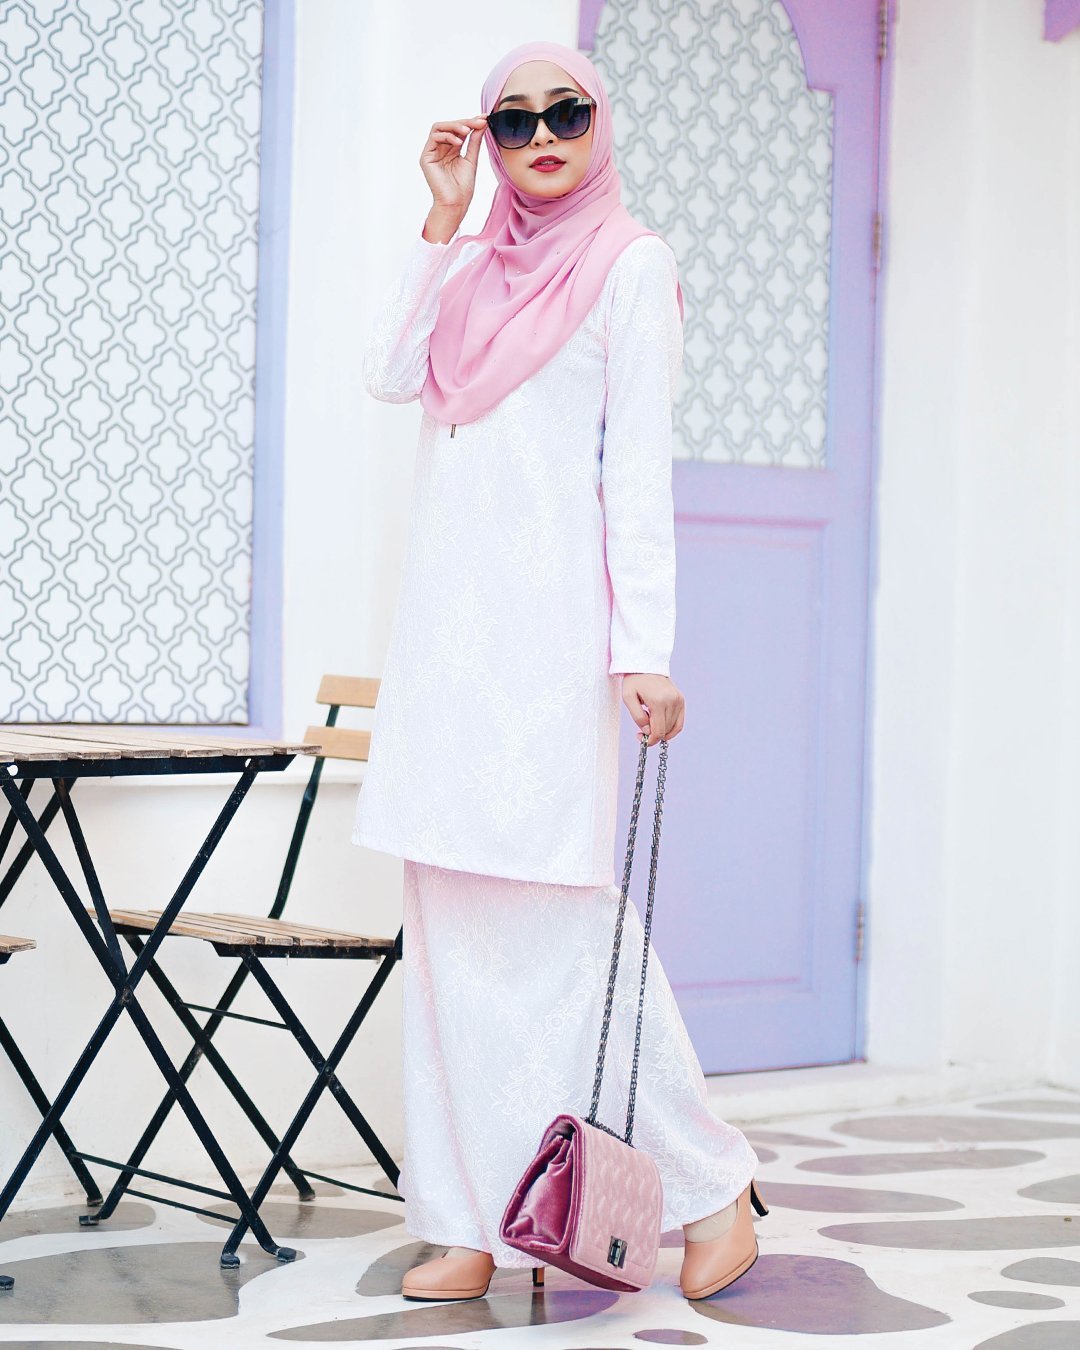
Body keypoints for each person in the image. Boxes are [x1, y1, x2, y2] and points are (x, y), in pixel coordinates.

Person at [352, 39, 767, 1304]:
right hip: (445, 646)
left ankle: (712, 1188)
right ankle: (466, 1220)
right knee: (448, 936)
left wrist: (644, 652)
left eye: (566, 113)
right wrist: (442, 222)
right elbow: (388, 374)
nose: (541, 138)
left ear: (600, 123)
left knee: (565, 929)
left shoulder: (631, 266)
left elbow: (635, 469)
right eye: (514, 121)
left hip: (548, 649)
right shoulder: (475, 263)